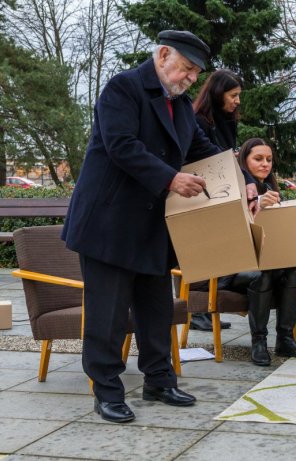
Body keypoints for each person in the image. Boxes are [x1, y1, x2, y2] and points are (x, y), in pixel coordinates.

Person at [62, 30, 224, 423]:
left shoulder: (182, 105)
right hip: (109, 224)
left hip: (153, 227)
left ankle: (158, 379)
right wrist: (171, 179)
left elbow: (203, 150)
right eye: (186, 69)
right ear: (164, 55)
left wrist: (245, 183)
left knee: (156, 310)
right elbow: (122, 145)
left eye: (195, 74)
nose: (189, 79)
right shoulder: (123, 88)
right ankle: (107, 391)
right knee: (109, 314)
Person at [237, 137, 296, 366]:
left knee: (293, 268)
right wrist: (257, 204)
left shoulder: (270, 188)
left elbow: (280, 229)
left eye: (269, 159)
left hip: (265, 261)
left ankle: (285, 339)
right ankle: (259, 342)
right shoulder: (237, 189)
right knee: (261, 274)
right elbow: (232, 229)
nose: (265, 164)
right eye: (258, 159)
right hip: (234, 266)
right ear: (244, 161)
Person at [188, 69, 244, 331]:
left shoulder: (226, 121)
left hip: (219, 194)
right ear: (218, 93)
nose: (237, 101)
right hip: (199, 196)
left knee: (218, 254)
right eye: (233, 95)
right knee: (201, 255)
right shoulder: (198, 121)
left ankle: (207, 309)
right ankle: (197, 310)